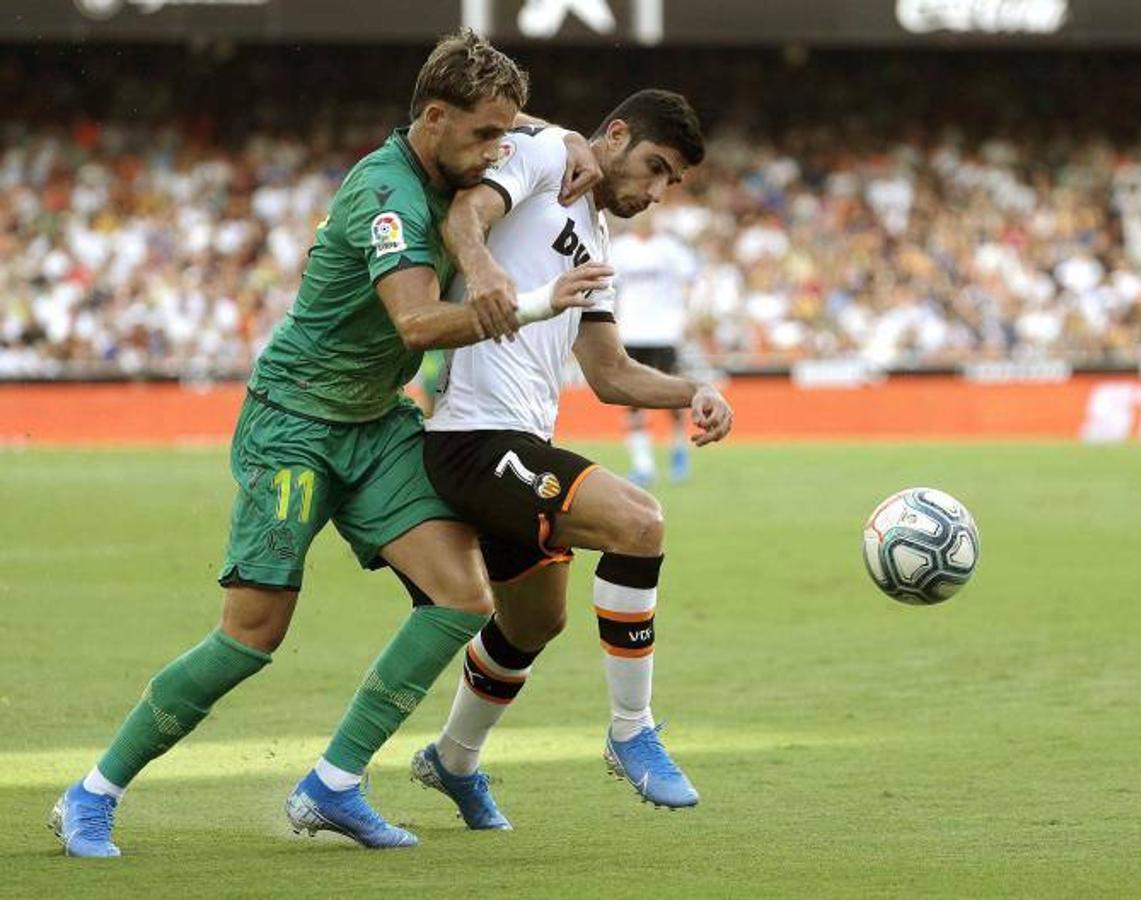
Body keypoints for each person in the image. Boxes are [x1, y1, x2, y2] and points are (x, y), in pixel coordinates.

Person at [49, 28, 609, 857]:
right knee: (253, 634)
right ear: (432, 118)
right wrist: (537, 302)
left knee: (460, 598)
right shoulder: (385, 193)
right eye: (485, 134)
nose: (497, 151)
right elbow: (418, 322)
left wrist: (569, 140)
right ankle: (90, 794)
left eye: (506, 134)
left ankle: (334, 786)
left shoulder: (459, 161)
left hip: (374, 423)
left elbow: (532, 134)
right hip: (296, 426)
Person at [410, 89, 732, 830]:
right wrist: (487, 273)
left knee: (532, 623)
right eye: (653, 167)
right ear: (613, 135)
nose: (654, 193)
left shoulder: (598, 244)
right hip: (470, 434)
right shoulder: (544, 155)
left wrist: (695, 390)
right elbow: (464, 215)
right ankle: (632, 730)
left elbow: (610, 372)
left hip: (518, 439)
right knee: (638, 522)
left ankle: (452, 761)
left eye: (669, 184)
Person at [611, 211, 700, 485]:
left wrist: (683, 313)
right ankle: (643, 463)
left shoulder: (670, 248)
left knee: (672, 396)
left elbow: (690, 279)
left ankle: (678, 449)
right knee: (633, 400)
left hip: (664, 333)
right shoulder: (619, 249)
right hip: (631, 333)